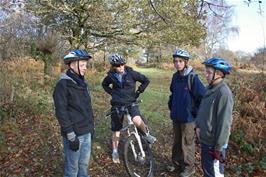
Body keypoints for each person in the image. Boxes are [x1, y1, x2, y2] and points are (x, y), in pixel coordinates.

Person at [102, 53, 156, 163]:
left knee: (136, 120)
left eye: (122, 64)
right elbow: (104, 84)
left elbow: (146, 80)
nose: (120, 67)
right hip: (117, 105)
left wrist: (139, 91)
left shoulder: (131, 74)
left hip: (131, 102)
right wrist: (112, 93)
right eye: (117, 65)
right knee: (116, 130)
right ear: (113, 66)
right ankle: (115, 152)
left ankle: (146, 134)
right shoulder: (111, 76)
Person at [53, 49, 95, 177]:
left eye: (85, 65)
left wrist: (91, 128)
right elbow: (61, 112)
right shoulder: (63, 85)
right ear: (72, 65)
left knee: (83, 166)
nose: (85, 68)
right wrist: (70, 135)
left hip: (86, 132)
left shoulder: (82, 83)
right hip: (74, 134)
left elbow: (87, 108)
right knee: (72, 169)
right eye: (82, 65)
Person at [168, 49, 206, 177]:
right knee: (177, 141)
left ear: (186, 62)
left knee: (187, 143)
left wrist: (196, 114)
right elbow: (173, 93)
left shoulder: (192, 78)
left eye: (180, 61)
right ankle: (176, 164)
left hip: (189, 118)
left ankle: (189, 168)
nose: (177, 64)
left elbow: (202, 97)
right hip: (176, 116)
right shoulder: (175, 77)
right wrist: (171, 106)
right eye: (175, 61)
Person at [195, 57, 233, 177]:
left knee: (214, 173)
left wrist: (218, 148)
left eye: (209, 72)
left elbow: (225, 123)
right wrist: (197, 126)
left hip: (214, 144)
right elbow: (203, 111)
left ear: (220, 74)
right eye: (205, 71)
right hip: (205, 140)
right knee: (207, 171)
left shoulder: (223, 93)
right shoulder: (209, 89)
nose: (205, 75)